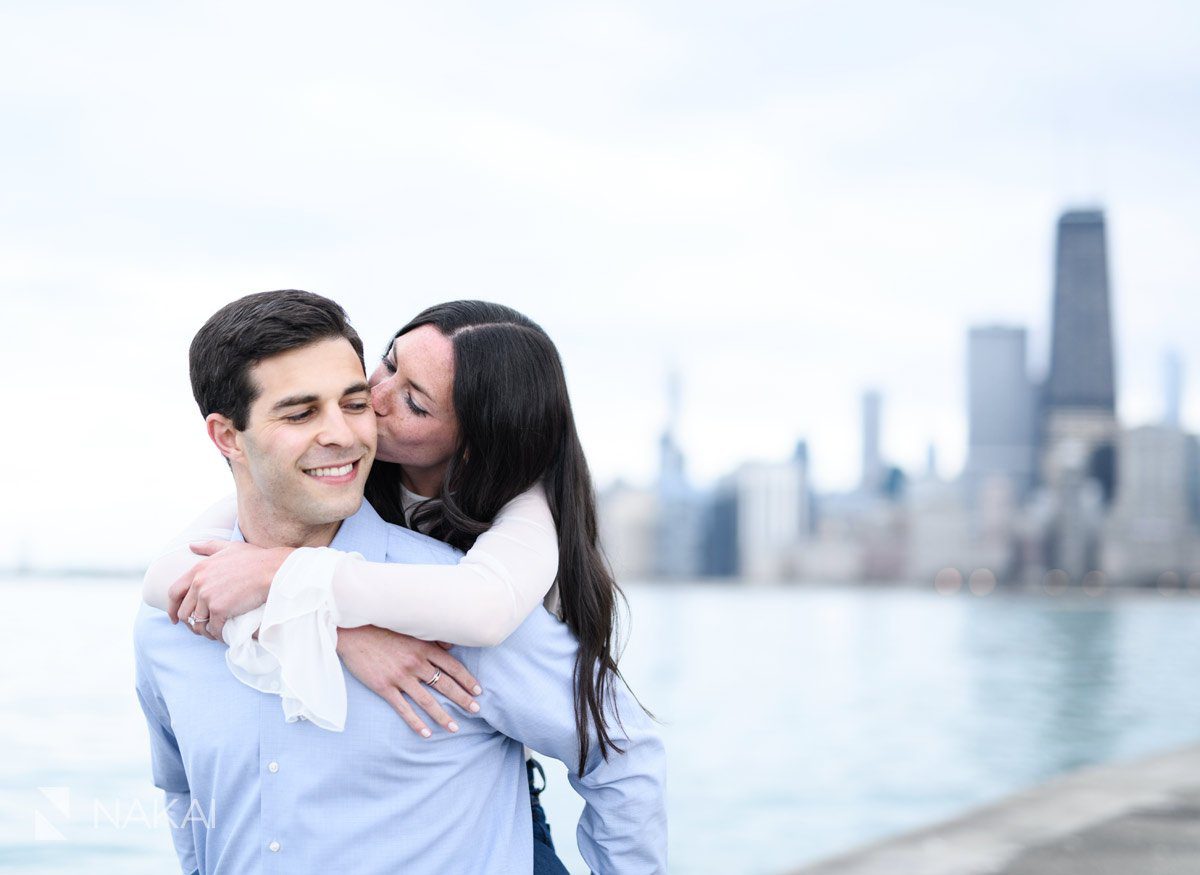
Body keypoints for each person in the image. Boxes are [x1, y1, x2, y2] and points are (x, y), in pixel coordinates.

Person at [133, 289, 667, 874]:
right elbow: (186, 796)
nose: (362, 416)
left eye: (407, 402)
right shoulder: (178, 618)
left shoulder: (481, 576)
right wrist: (332, 627)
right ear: (227, 437)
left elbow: (617, 748)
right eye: (382, 370)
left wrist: (298, 586)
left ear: (466, 448)